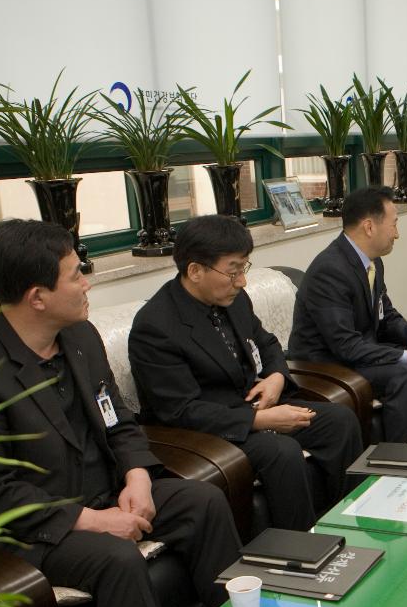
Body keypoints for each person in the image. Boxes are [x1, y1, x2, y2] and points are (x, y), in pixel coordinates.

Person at [0, 219, 242, 607]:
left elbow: (119, 419)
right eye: (76, 275)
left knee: (204, 501)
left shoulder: (80, 337)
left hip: (105, 491)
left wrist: (137, 474)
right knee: (115, 559)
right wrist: (91, 521)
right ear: (38, 297)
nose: (86, 283)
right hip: (36, 528)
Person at [128, 215, 362, 532]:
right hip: (206, 430)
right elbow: (179, 411)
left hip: (251, 407)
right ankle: (299, 547)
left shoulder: (234, 299)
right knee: (282, 451)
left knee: (339, 421)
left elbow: (266, 344)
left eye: (244, 268)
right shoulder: (155, 327)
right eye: (233, 270)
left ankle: (343, 520)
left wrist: (277, 377)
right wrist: (259, 421)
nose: (242, 281)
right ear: (194, 270)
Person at [289, 186, 407, 442]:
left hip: (358, 351)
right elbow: (345, 345)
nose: (397, 234)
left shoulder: (371, 260)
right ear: (369, 227)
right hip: (325, 363)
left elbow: (386, 315)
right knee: (402, 375)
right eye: (394, 224)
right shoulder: (330, 271)